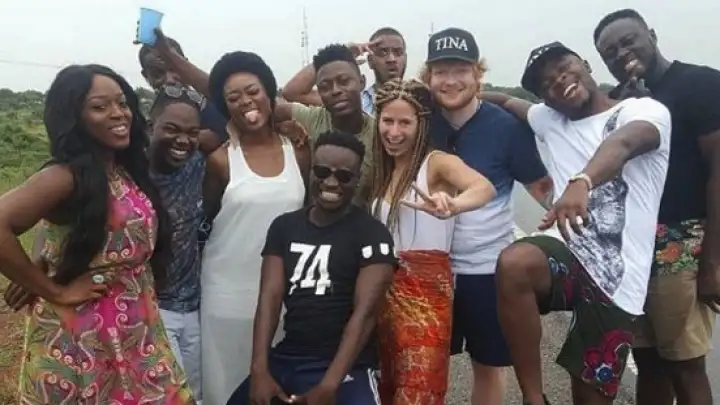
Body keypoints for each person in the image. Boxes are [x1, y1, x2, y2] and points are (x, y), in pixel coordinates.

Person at [486, 41, 671, 405]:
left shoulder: (642, 110)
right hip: (567, 253)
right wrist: (453, 92)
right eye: (546, 83)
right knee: (514, 263)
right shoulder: (548, 118)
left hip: (616, 278)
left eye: (563, 67)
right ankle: (534, 398)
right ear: (544, 99)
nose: (558, 80)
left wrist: (582, 182)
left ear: (584, 63)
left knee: (590, 398)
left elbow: (624, 143)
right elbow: (506, 101)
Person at [0, 64, 195, 404]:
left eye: (122, 103)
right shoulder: (64, 176)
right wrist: (51, 288)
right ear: (74, 117)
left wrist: (44, 256)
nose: (118, 113)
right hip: (83, 336)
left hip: (138, 328)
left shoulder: (125, 169)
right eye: (100, 106)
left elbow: (62, 226)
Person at [594, 9, 720, 405]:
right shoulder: (617, 102)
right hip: (634, 251)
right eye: (610, 52)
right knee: (647, 362)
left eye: (628, 41)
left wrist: (713, 261)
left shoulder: (700, 84)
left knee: (685, 365)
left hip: (683, 244)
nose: (621, 54)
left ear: (651, 34)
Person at [421, 27, 552, 405]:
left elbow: (544, 191)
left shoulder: (507, 128)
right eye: (441, 72)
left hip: (487, 271)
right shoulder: (417, 123)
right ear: (428, 77)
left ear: (478, 73)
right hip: (428, 270)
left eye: (461, 70)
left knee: (489, 365)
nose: (450, 81)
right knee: (422, 364)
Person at [226, 130, 397, 405]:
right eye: (322, 171)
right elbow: (269, 299)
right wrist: (259, 370)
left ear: (357, 180)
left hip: (346, 366)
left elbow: (365, 315)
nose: (331, 182)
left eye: (344, 176)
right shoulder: (284, 227)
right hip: (288, 357)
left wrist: (329, 385)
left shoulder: (372, 234)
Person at [369, 78, 496, 404]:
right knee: (387, 383)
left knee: (419, 386)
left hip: (426, 295)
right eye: (387, 121)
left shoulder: (436, 163)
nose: (394, 132)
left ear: (422, 124)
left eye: (405, 123)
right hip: (382, 291)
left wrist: (455, 204)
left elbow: (483, 187)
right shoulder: (382, 170)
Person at [200, 51, 310, 405]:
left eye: (252, 91)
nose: (246, 102)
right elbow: (206, 220)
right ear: (225, 107)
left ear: (269, 93)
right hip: (227, 294)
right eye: (233, 97)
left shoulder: (299, 150)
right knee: (226, 388)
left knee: (277, 389)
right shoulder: (220, 160)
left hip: (285, 297)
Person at [147, 87, 207, 401]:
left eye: (192, 132)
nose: (183, 140)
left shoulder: (197, 164)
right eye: (171, 129)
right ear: (150, 127)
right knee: (172, 396)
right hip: (151, 308)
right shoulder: (129, 174)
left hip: (193, 306)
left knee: (195, 393)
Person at [276, 44, 376, 207]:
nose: (335, 91)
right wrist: (281, 128)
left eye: (344, 81)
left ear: (362, 82)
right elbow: (278, 102)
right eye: (325, 87)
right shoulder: (314, 118)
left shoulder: (379, 133)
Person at [361, 27, 408, 115]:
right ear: (370, 61)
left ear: (405, 59)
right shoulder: (358, 105)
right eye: (383, 52)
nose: (391, 59)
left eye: (398, 52)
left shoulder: (422, 104)